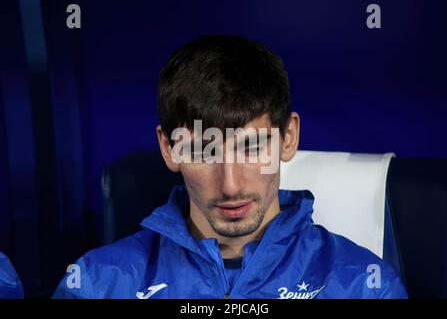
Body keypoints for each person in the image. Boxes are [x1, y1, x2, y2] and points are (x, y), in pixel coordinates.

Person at [53, 35, 407, 299]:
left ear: (289, 138)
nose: (231, 185)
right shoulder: (95, 284)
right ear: (169, 148)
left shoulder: (364, 286)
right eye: (204, 152)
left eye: (252, 148)